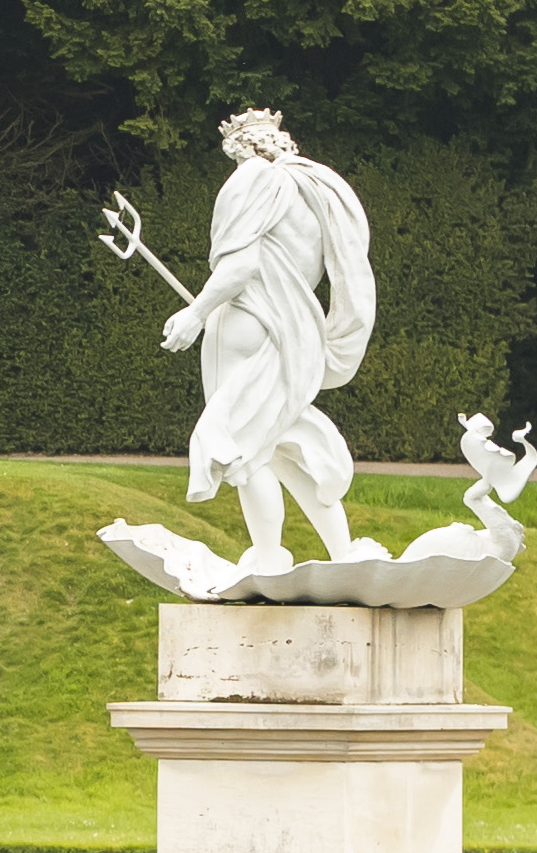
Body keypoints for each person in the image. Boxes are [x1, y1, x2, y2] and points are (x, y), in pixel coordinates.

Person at [156, 110, 377, 574]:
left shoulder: (250, 179)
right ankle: (342, 550)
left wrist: (196, 312)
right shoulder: (321, 188)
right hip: (298, 333)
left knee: (244, 445)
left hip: (247, 322)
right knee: (282, 437)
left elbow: (240, 268)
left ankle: (270, 555)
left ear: (239, 147)